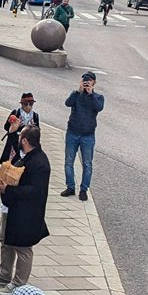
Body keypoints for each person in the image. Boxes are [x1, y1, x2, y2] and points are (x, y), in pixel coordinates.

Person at [0, 126, 50, 294]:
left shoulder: (40, 163)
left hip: (27, 213)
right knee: (7, 242)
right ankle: (4, 275)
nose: (18, 139)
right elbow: (9, 154)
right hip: (13, 208)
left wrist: (8, 190)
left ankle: (19, 283)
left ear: (24, 140)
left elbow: (35, 191)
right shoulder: (24, 154)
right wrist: (11, 132)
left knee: (23, 248)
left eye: (20, 136)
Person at [62, 72, 104, 201]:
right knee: (69, 162)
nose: (87, 83)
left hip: (88, 135)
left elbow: (99, 107)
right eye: (85, 81)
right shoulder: (76, 95)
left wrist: (91, 94)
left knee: (87, 164)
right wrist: (78, 91)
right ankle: (70, 187)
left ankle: (83, 189)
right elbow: (67, 103)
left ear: (94, 83)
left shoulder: (98, 97)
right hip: (72, 133)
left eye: (89, 81)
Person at [0, 93, 39, 166]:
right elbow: (6, 127)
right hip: (14, 144)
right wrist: (12, 124)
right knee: (10, 164)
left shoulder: (35, 116)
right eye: (26, 104)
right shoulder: (16, 113)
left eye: (30, 104)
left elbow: (37, 132)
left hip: (27, 145)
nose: (28, 107)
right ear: (22, 104)